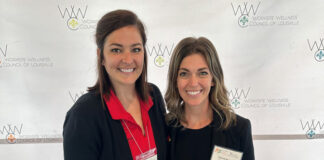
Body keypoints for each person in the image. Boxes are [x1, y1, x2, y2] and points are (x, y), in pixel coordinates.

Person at [63, 10, 168, 160]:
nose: (127, 59)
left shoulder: (154, 95)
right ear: (101, 56)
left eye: (136, 49)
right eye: (116, 50)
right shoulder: (83, 116)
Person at [165, 37, 254, 160]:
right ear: (175, 80)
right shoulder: (163, 128)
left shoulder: (238, 129)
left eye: (202, 73)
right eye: (184, 74)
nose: (193, 83)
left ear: (213, 79)